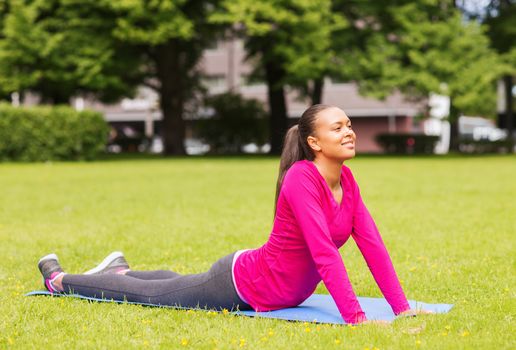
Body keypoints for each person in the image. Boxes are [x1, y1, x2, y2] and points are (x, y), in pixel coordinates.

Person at [37, 104, 431, 324]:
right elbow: (324, 252)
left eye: (349, 125)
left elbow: (372, 245)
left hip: (279, 291)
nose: (348, 132)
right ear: (314, 142)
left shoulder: (348, 180)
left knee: (178, 283)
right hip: (245, 285)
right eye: (337, 128)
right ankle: (60, 280)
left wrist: (401, 308)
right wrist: (356, 318)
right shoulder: (300, 179)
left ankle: (119, 268)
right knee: (155, 295)